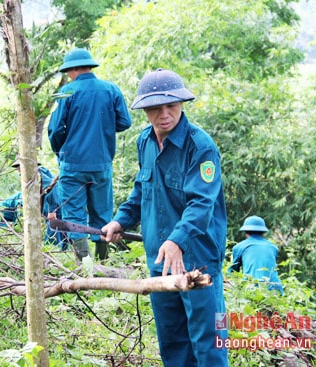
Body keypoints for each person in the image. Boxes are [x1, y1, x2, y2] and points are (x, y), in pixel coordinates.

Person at [102, 69, 229, 366]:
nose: (164, 114)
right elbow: (140, 192)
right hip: (159, 261)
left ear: (182, 103)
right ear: (144, 109)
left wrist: (178, 240)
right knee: (172, 342)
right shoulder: (144, 142)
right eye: (155, 107)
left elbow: (201, 203)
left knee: (209, 341)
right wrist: (120, 220)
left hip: (199, 259)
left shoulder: (200, 147)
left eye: (171, 105)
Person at [47, 48, 132, 261]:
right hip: (102, 165)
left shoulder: (66, 92)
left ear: (72, 69)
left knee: (74, 216)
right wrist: (101, 129)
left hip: (73, 165)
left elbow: (56, 130)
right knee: (102, 215)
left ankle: (83, 268)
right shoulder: (111, 89)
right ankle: (103, 262)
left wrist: (62, 151)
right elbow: (124, 122)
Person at [0, 160, 67, 249]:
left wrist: (52, 210)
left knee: (54, 234)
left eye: (19, 169)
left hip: (53, 206)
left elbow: (51, 188)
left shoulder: (39, 174)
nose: (18, 171)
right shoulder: (26, 185)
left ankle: (55, 253)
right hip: (43, 204)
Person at [228, 215, 284, 294]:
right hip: (275, 288)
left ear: (245, 232)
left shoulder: (239, 247)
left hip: (252, 287)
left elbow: (232, 272)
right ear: (263, 232)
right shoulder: (273, 247)